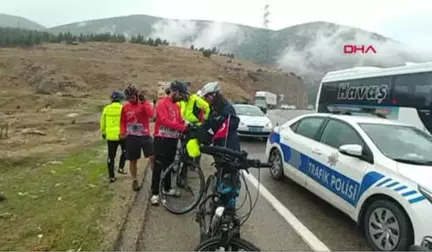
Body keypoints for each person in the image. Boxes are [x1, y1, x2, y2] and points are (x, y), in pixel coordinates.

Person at [150, 81, 189, 205]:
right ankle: (155, 192)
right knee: (158, 166)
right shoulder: (162, 103)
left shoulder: (177, 106)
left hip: (172, 140)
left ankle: (167, 188)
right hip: (161, 140)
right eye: (181, 95)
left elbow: (180, 121)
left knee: (169, 165)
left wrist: (187, 125)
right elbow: (164, 121)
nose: (182, 97)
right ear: (175, 92)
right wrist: (182, 128)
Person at [120, 83, 154, 191]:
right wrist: (122, 132)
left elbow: (151, 114)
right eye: (129, 98)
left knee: (153, 156)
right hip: (132, 137)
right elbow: (122, 121)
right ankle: (134, 180)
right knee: (133, 160)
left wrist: (144, 103)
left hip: (144, 135)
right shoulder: (125, 107)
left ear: (136, 94)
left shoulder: (143, 104)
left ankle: (155, 177)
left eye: (133, 97)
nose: (131, 99)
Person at [197, 81, 240, 151]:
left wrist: (219, 121)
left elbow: (233, 123)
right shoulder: (214, 108)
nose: (205, 100)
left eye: (206, 97)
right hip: (218, 144)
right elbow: (209, 123)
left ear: (213, 95)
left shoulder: (226, 107)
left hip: (228, 144)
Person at [100, 91, 127, 183]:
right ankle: (121, 168)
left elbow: (102, 122)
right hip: (122, 135)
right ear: (120, 100)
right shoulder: (123, 108)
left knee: (111, 156)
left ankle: (111, 176)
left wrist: (103, 132)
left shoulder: (106, 109)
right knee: (124, 152)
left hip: (110, 136)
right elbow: (127, 121)